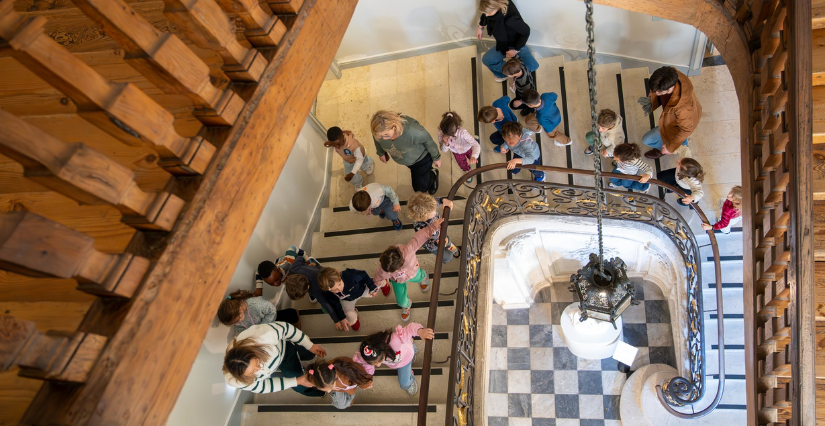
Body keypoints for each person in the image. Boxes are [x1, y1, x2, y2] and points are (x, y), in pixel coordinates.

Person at [223, 322, 327, 396]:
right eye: (253, 372)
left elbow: (286, 329)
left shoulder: (262, 337)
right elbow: (265, 386)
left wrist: (309, 345)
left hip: (284, 350)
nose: (260, 369)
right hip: (279, 360)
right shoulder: (236, 381)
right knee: (301, 387)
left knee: (308, 353)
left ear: (253, 351)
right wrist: (297, 381)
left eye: (257, 362)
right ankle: (323, 390)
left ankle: (306, 354)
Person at [375, 218, 444, 321]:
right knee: (401, 301)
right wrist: (375, 287)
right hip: (397, 280)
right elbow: (378, 276)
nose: (388, 273)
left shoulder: (408, 251)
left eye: (390, 272)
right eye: (387, 272)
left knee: (419, 276)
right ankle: (407, 305)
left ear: (400, 265)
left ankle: (424, 275)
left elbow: (419, 237)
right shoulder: (385, 267)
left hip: (412, 273)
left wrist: (433, 227)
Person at [637, 66, 702, 159]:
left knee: (648, 140)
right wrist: (653, 93)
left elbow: (686, 129)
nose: (655, 93)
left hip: (680, 125)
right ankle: (665, 147)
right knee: (647, 139)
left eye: (658, 92)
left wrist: (670, 148)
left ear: (670, 87)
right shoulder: (670, 73)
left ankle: (672, 149)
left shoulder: (683, 109)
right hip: (672, 119)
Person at [353, 323, 435, 396]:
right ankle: (411, 349)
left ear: (385, 351)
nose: (378, 365)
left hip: (405, 358)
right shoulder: (367, 355)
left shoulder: (395, 339)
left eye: (380, 361)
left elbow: (409, 328)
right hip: (399, 359)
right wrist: (368, 379)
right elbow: (368, 365)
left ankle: (410, 381)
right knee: (410, 350)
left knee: (404, 383)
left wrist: (420, 331)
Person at [371, 111, 441, 195]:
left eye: (386, 135)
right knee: (419, 177)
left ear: (394, 126)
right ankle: (428, 174)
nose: (384, 139)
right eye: (381, 136)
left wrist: (436, 157)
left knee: (419, 189)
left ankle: (433, 175)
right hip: (408, 159)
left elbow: (428, 141)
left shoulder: (413, 130)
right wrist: (381, 152)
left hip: (421, 159)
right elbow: (376, 139)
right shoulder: (379, 130)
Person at [476, 0, 538, 82]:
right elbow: (485, 15)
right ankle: (504, 74)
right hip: (503, 43)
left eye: (489, 13)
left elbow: (526, 32)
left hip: (516, 44)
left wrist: (515, 50)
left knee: (531, 66)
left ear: (497, 6)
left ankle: (517, 72)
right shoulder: (494, 8)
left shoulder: (511, 20)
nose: (486, 15)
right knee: (487, 60)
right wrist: (480, 27)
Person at [284, 257, 351, 331]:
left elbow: (326, 304)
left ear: (308, 287)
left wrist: (336, 320)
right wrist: (307, 263)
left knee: (331, 302)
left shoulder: (316, 288)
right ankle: (313, 263)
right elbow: (300, 257)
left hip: (325, 278)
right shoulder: (293, 268)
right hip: (316, 269)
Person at [318, 267, 386, 331]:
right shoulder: (328, 293)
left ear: (339, 277)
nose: (340, 289)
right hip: (348, 300)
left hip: (362, 290)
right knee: (349, 317)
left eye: (339, 284)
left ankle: (384, 283)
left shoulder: (350, 276)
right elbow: (336, 304)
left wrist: (372, 286)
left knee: (376, 286)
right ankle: (354, 316)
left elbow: (364, 275)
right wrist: (342, 318)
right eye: (335, 290)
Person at [218, 290, 301, 337]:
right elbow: (239, 327)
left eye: (238, 319)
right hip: (262, 326)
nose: (238, 322)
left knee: (286, 316)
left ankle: (295, 315)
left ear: (240, 309)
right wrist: (240, 334)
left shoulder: (255, 304)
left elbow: (272, 311)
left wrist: (263, 326)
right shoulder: (237, 319)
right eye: (235, 322)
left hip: (269, 317)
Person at [407, 192, 461, 264]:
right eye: (433, 212)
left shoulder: (429, 206)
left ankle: (454, 250)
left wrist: (443, 200)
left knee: (449, 243)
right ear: (423, 217)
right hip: (435, 245)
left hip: (441, 233)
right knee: (448, 257)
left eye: (435, 209)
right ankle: (447, 258)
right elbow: (427, 244)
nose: (435, 212)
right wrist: (436, 244)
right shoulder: (419, 227)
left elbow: (435, 202)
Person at [304, 358, 374, 409]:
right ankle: (348, 402)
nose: (328, 391)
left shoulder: (345, 382)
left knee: (345, 404)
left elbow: (354, 389)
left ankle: (349, 402)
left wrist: (365, 384)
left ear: (333, 381)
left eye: (329, 388)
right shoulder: (323, 372)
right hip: (341, 387)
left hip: (348, 389)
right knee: (341, 405)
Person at [437, 111, 480, 183]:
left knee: (472, 156)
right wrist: (446, 143)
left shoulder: (462, 132)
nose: (448, 137)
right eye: (446, 135)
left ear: (457, 129)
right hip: (456, 152)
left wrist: (474, 156)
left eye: (450, 136)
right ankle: (467, 171)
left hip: (467, 148)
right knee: (462, 164)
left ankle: (472, 138)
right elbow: (443, 150)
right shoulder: (441, 132)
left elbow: (476, 145)